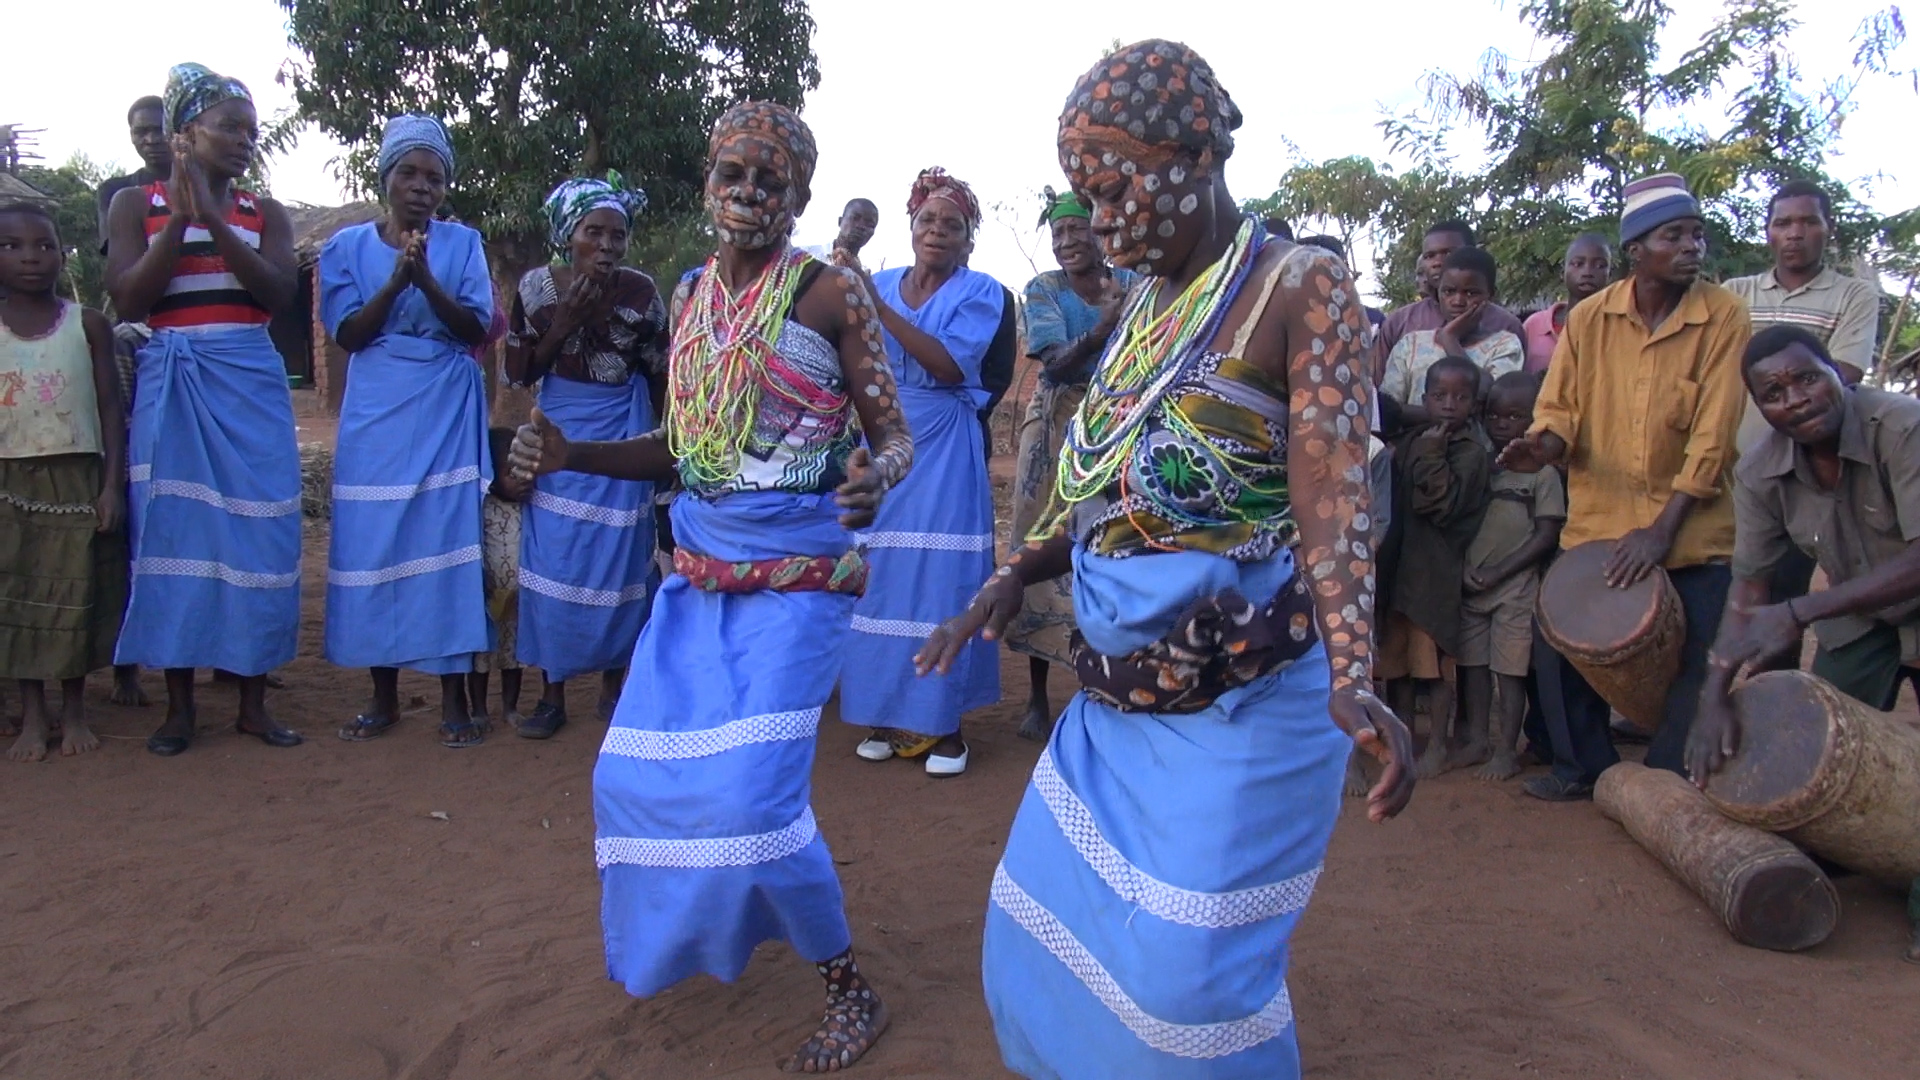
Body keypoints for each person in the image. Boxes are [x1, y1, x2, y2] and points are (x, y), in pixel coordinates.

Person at [914, 40, 1414, 1079]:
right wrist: (1015, 575)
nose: (1101, 222)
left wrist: (1359, 669)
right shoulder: (1145, 306)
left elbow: (1332, 492)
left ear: (1196, 154)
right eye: (1085, 200)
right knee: (1042, 936)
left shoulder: (1298, 285)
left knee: (1188, 985)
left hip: (1249, 692)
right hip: (1119, 699)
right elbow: (1108, 494)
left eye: (1113, 189)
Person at [507, 100, 912, 1071]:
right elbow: (683, 455)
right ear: (706, 186)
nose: (746, 195)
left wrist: (875, 476)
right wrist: (571, 452)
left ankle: (849, 988)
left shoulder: (828, 294)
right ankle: (692, 933)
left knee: (756, 804)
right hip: (695, 579)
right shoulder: (689, 296)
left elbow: (894, 434)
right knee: (631, 776)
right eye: (731, 176)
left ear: (798, 195)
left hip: (801, 581)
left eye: (768, 181)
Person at [1497, 172, 1749, 800]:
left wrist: (1660, 533)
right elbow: (1559, 411)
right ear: (1636, 249)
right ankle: (1582, 768)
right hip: (1599, 525)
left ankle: (1664, 782)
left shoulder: (1724, 316)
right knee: (1561, 648)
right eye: (1675, 235)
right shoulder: (1589, 318)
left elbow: (1714, 437)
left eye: (1697, 233)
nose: (1693, 246)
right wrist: (1541, 448)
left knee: (1699, 654)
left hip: (1692, 529)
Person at [1686, 325, 1920, 964]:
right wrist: (1714, 694)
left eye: (1807, 378)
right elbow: (1748, 588)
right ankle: (1861, 853)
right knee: (1820, 749)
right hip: (1857, 610)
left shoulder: (1901, 427)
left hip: (1887, 594)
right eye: (1774, 392)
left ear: (1839, 374)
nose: (1795, 398)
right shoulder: (1762, 468)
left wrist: (1802, 609)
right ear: (1759, 406)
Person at [105, 63, 303, 756]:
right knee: (175, 537)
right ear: (186, 133)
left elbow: (278, 295)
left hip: (247, 381)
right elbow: (130, 300)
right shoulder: (135, 206)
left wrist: (214, 221)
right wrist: (179, 224)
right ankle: (180, 707)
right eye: (228, 126)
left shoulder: (263, 214)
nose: (244, 140)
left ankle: (252, 702)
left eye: (252, 130)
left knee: (260, 535)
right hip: (176, 377)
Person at [322, 115, 495, 747]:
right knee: (374, 547)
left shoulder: (463, 244)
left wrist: (425, 280)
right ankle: (383, 695)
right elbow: (348, 334)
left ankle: (453, 701)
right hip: (376, 413)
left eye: (435, 177)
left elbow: (477, 328)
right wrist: (398, 281)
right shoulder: (345, 249)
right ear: (385, 178)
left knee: (445, 547)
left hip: (444, 406)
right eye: (409, 173)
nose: (422, 187)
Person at [839, 167, 1003, 776]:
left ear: (968, 240)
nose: (938, 231)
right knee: (878, 576)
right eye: (928, 220)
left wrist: (873, 303)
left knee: (940, 580)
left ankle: (944, 728)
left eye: (952, 225)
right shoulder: (874, 279)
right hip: (882, 438)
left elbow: (948, 365)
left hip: (942, 450)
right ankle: (884, 713)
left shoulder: (980, 291)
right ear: (910, 230)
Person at [504, 174, 665, 737]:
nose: (607, 246)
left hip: (622, 429)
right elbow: (518, 372)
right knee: (555, 559)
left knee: (621, 557)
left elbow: (659, 371)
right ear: (567, 235)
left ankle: (614, 684)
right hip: (556, 429)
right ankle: (552, 692)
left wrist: (663, 450)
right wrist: (567, 322)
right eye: (593, 232)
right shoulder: (536, 291)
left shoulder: (642, 293)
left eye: (617, 236)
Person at [1000, 187, 1135, 741]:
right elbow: (1055, 367)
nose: (1067, 243)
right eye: (1058, 236)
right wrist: (1105, 329)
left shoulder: (1131, 283)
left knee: (1113, 546)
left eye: (1077, 232)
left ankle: (1103, 680)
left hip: (1118, 426)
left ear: (1101, 234)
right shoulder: (1044, 290)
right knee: (1039, 541)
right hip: (1056, 432)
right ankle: (1037, 695)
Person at [0, 203, 127, 762]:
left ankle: (74, 710)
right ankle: (34, 714)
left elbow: (109, 410)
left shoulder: (88, 324)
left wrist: (111, 487)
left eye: (45, 245)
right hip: (10, 481)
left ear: (62, 253)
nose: (32, 257)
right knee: (21, 598)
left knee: (75, 595)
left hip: (76, 478)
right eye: (14, 246)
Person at [1724, 180, 1881, 618]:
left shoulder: (1853, 294)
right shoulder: (1736, 294)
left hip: (1800, 474)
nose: (1795, 232)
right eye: (1783, 223)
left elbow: (1845, 374)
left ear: (1828, 228)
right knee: (1727, 592)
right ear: (1769, 233)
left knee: (1784, 596)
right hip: (1729, 474)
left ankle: (1778, 684)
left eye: (1808, 221)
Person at [1378, 356, 1490, 778]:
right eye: (1439, 396)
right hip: (1401, 568)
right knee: (1398, 665)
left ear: (1474, 404)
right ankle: (1403, 740)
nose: (1448, 405)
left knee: (1434, 666)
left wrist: (1431, 454)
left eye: (1460, 398)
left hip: (1434, 572)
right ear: (1423, 399)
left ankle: (1439, 745)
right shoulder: (1415, 438)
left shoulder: (1471, 453)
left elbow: (1438, 504)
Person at [1458, 371, 1564, 779]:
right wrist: (1468, 570)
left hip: (1515, 586)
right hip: (1474, 583)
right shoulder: (1481, 466)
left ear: (1535, 419)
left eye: (1515, 416)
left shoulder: (1543, 473)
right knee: (1474, 667)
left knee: (1511, 670)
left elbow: (1546, 535)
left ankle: (1506, 749)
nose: (1502, 424)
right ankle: (1477, 740)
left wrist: (1501, 571)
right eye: (1494, 416)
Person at [1379, 246, 1524, 419]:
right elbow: (1388, 408)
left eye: (1471, 293)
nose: (1458, 301)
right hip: (1413, 443)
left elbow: (1491, 399)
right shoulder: (1411, 345)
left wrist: (1450, 340)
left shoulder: (1505, 346)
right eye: (1449, 291)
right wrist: (1439, 418)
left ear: (1490, 295)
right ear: (1438, 292)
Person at [1373, 220, 1526, 378]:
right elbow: (1381, 394)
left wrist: (1450, 340)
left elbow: (1506, 394)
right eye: (1429, 256)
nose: (1438, 262)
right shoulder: (1399, 323)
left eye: (1448, 253)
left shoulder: (1506, 326)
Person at [469, 427, 529, 732]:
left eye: (523, 472)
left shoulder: (530, 507)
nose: (519, 480)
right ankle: (478, 710)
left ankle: (510, 707)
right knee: (481, 655)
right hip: (488, 593)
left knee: (512, 655)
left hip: (517, 598)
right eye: (509, 473)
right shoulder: (481, 509)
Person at [1522, 233, 1612, 373]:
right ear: (1562, 271)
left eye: (1600, 265)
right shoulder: (1534, 325)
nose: (1587, 272)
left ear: (1609, 274)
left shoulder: (1618, 325)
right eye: (1578, 264)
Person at [96, 97, 172, 257]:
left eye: (160, 130)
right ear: (131, 136)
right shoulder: (114, 191)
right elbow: (119, 255)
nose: (151, 140)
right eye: (141, 132)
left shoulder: (206, 186)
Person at [829, 197, 878, 271]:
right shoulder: (809, 256)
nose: (861, 226)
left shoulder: (865, 277)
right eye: (855, 218)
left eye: (870, 224)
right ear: (840, 221)